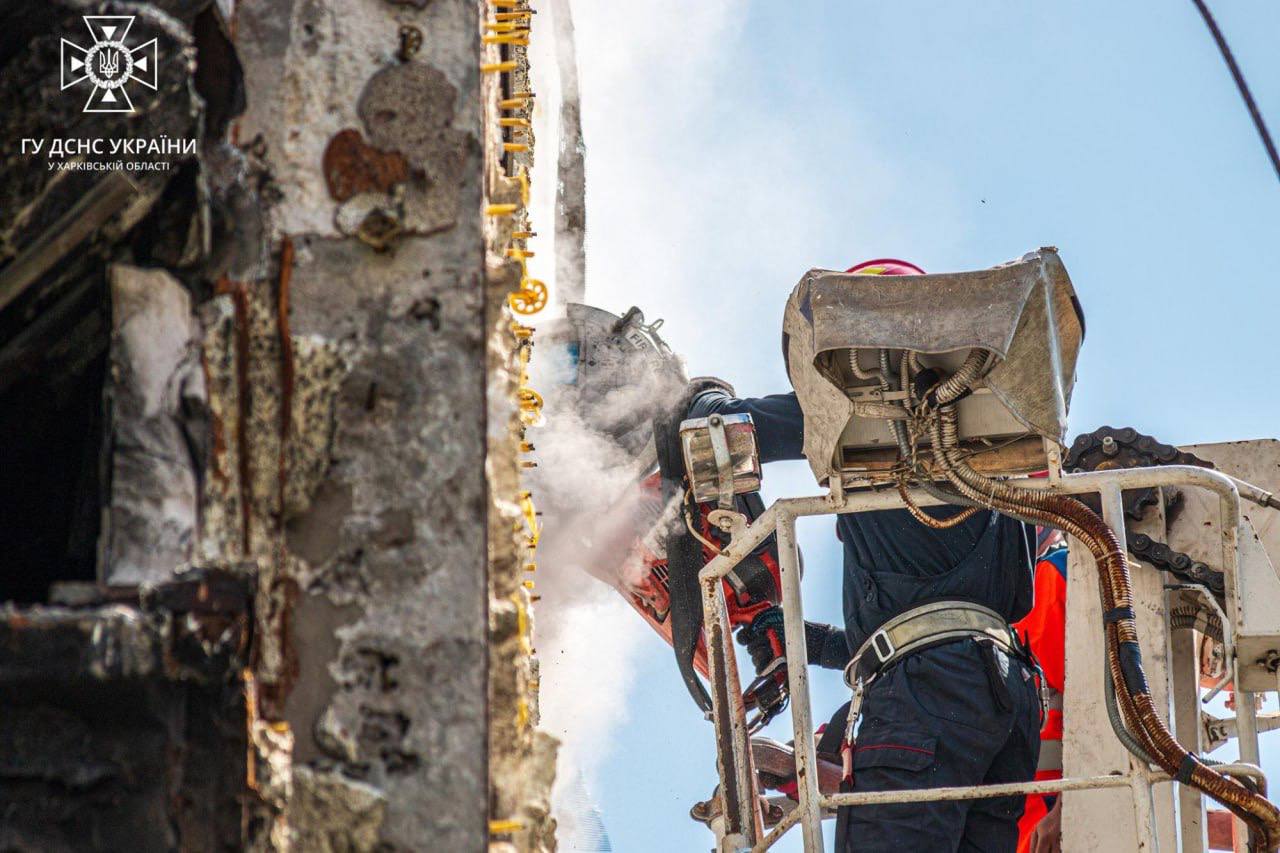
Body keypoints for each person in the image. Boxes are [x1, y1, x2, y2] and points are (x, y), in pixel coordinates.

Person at [692, 259, 1043, 852]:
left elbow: (722, 426)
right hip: (1003, 695)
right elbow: (935, 613)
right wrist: (800, 637)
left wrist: (703, 395)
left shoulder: (863, 417)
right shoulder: (1000, 438)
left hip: (927, 691)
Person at [1013, 529, 1068, 853]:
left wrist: (1068, 809)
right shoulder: (977, 601)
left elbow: (1108, 709)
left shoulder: (1057, 575)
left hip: (1047, 832)